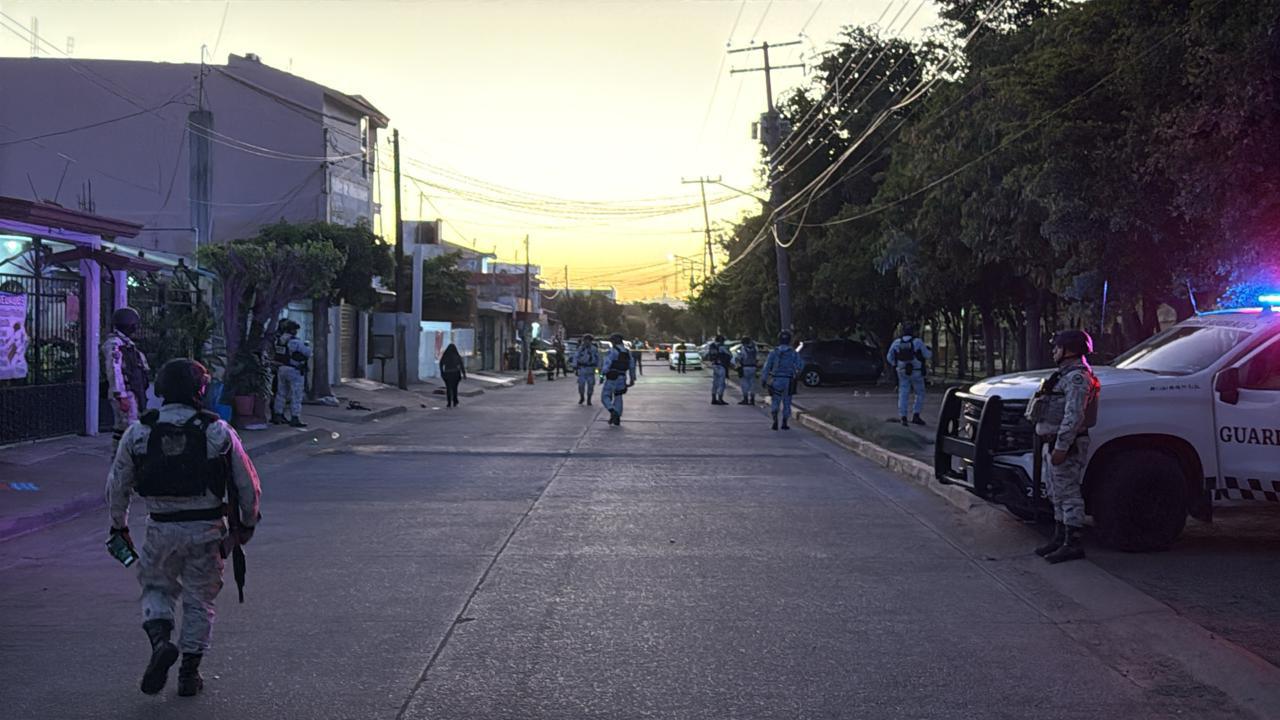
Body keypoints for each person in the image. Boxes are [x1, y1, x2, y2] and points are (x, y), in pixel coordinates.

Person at [106, 358, 262, 697]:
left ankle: (161, 642)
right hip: (207, 530)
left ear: (160, 390)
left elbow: (117, 485)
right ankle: (189, 674)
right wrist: (246, 524)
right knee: (199, 601)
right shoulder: (217, 430)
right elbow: (247, 484)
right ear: (201, 390)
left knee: (156, 591)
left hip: (160, 529)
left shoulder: (139, 431)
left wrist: (118, 527)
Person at [1026, 330, 1100, 564]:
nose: (1053, 351)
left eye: (1057, 347)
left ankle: (1073, 542)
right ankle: (1060, 538)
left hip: (1067, 444)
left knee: (1068, 494)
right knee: (1056, 492)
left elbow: (1074, 415)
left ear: (1070, 350)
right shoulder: (1063, 375)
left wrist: (1062, 446)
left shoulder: (1077, 378)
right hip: (1054, 441)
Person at [101, 307, 150, 451]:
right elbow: (114, 370)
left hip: (133, 392)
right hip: (125, 393)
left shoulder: (127, 344)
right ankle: (121, 460)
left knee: (132, 427)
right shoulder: (115, 344)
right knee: (127, 429)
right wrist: (120, 395)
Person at [886, 323, 933, 427]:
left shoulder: (897, 342)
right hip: (916, 371)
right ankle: (916, 415)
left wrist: (896, 364)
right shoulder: (918, 342)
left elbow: (889, 357)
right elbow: (927, 355)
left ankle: (903, 417)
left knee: (903, 393)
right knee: (920, 393)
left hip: (902, 371)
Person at [270, 319, 311, 428]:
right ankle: (295, 418)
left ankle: (278, 415)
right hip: (294, 370)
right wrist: (307, 345)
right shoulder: (295, 342)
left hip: (281, 368)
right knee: (296, 395)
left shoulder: (279, 340)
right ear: (293, 330)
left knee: (281, 393)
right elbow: (307, 352)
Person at [761, 330, 804, 431]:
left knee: (775, 400)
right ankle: (784, 422)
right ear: (789, 340)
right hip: (788, 380)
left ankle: (775, 420)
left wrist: (764, 379)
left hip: (776, 379)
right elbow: (800, 366)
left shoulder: (774, 352)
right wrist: (796, 374)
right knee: (787, 402)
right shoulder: (793, 353)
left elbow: (767, 367)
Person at [600, 332, 636, 426]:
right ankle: (617, 417)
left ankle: (612, 411)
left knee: (605, 396)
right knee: (618, 396)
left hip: (612, 377)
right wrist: (632, 379)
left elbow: (606, 366)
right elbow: (632, 366)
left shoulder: (612, 351)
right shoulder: (627, 352)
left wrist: (601, 376)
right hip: (622, 377)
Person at [573, 333, 600, 405]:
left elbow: (598, 359)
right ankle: (582, 397)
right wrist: (575, 366)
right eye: (585, 340)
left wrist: (598, 369)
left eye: (588, 340)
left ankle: (589, 399)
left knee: (591, 385)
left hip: (591, 369)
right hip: (582, 369)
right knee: (581, 385)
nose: (586, 342)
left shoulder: (594, 349)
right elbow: (576, 357)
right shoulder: (580, 349)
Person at [440, 343, 467, 408]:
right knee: (455, 388)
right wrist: (464, 374)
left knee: (448, 388)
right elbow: (461, 365)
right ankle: (455, 401)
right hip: (455, 373)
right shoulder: (457, 356)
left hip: (447, 373)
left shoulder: (445, 356)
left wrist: (442, 372)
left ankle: (449, 402)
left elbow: (441, 364)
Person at [734, 336, 760, 405]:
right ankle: (752, 399)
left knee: (744, 383)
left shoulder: (743, 348)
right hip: (753, 367)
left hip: (745, 367)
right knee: (752, 384)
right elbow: (757, 358)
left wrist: (737, 365)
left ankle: (745, 399)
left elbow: (739, 358)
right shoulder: (755, 348)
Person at [707, 335, 731, 405]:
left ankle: (713, 399)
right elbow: (729, 354)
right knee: (721, 383)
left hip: (714, 365)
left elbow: (710, 356)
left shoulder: (712, 346)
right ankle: (720, 399)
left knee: (715, 383)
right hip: (721, 366)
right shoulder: (722, 347)